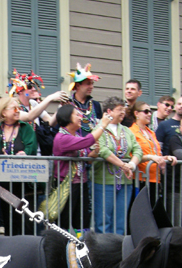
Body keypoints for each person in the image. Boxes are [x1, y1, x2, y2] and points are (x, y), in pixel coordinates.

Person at [53, 103, 111, 233]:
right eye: (76, 114)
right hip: (66, 186)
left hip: (81, 183)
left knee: (82, 220)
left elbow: (87, 158)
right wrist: (102, 125)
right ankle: (62, 248)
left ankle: (80, 249)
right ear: (67, 117)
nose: (80, 117)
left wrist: (95, 152)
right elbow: (87, 142)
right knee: (64, 220)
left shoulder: (77, 136)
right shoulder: (61, 138)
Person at [0, 95, 37, 235]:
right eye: (14, 108)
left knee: (23, 216)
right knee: (6, 215)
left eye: (19, 108)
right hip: (2, 181)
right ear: (3, 112)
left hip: (22, 181)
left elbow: (31, 148)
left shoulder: (26, 128)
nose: (17, 111)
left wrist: (24, 153)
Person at [92, 96, 142, 234]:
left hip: (125, 181)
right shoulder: (99, 129)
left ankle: (118, 250)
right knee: (103, 220)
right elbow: (102, 149)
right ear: (109, 111)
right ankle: (102, 250)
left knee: (120, 220)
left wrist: (131, 164)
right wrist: (123, 165)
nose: (123, 113)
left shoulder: (126, 130)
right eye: (119, 110)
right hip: (103, 181)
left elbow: (138, 149)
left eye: (123, 110)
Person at [130, 101, 176, 200]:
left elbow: (156, 154)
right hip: (139, 179)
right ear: (136, 113)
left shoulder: (151, 132)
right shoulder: (131, 131)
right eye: (146, 111)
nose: (149, 114)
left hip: (155, 179)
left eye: (150, 111)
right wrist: (150, 157)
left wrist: (166, 157)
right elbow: (130, 156)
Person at [68, 63, 102, 135]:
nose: (91, 87)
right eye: (88, 84)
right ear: (77, 85)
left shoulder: (96, 105)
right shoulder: (67, 104)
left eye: (92, 83)